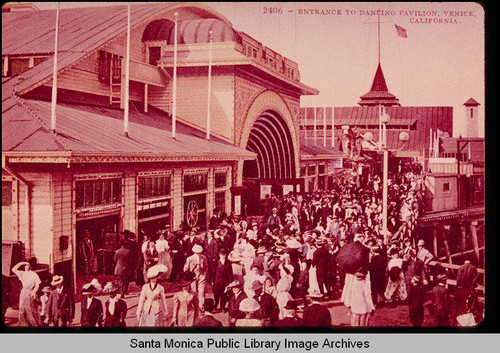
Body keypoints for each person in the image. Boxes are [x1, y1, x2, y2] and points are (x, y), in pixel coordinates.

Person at [11, 258, 41, 326]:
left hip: (30, 292)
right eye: (26, 265)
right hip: (23, 292)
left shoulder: (34, 274)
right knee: (22, 308)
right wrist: (22, 262)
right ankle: (23, 325)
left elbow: (37, 285)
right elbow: (13, 269)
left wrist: (34, 292)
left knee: (30, 309)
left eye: (28, 265)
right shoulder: (22, 273)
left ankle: (33, 325)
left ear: (31, 266)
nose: (27, 266)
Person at [184, 244, 208, 310]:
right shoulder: (190, 258)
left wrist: (204, 274)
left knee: (201, 291)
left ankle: (201, 305)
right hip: (193, 275)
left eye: (199, 252)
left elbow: (206, 266)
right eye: (197, 252)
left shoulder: (203, 257)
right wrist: (188, 275)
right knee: (193, 291)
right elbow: (186, 268)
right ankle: (193, 305)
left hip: (201, 274)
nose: (198, 254)